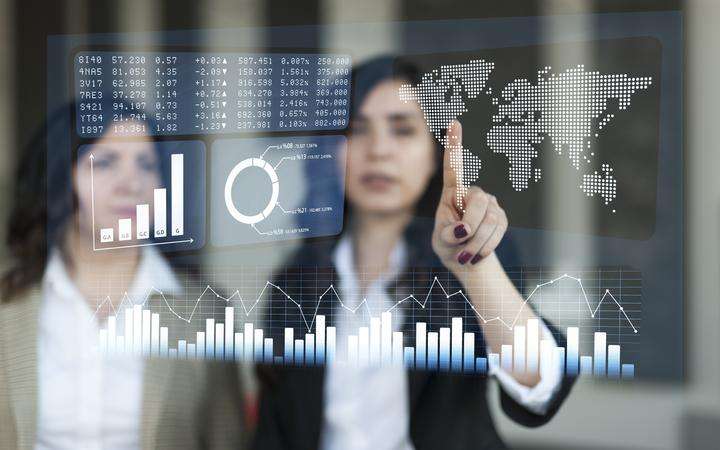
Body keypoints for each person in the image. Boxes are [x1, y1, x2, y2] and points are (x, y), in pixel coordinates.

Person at [253, 57, 575, 450]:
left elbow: (540, 385)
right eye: (357, 130)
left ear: (433, 153)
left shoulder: (472, 253)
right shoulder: (297, 278)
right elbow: (275, 428)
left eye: (403, 130)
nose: (379, 151)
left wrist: (472, 269)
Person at [0, 104, 243, 449]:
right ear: (60, 178)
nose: (132, 183)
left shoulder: (205, 310)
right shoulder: (7, 300)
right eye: (106, 163)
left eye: (146, 165)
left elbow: (226, 439)